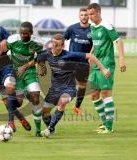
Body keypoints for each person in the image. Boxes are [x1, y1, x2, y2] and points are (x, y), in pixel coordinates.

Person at [37, 34, 110, 138]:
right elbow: (37, 60)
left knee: (62, 101)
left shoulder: (69, 55)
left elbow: (90, 56)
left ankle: (49, 130)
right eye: (52, 43)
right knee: (44, 112)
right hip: (54, 89)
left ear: (62, 46)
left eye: (56, 44)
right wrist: (41, 66)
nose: (53, 46)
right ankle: (51, 127)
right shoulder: (47, 53)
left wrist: (103, 69)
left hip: (69, 88)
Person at [87, 3, 127, 133]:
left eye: (92, 14)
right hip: (96, 64)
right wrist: (91, 54)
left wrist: (121, 59)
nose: (90, 17)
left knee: (106, 93)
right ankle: (104, 123)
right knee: (94, 95)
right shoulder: (92, 27)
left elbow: (119, 41)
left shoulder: (107, 25)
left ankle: (109, 127)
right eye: (88, 14)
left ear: (99, 12)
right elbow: (95, 43)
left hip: (107, 63)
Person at [5, 21, 44, 137]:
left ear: (31, 33)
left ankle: (38, 131)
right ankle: (18, 115)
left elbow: (42, 57)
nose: (23, 35)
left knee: (36, 98)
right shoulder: (12, 40)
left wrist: (41, 66)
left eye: (26, 34)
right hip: (16, 74)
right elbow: (2, 50)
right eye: (21, 33)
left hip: (30, 72)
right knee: (17, 103)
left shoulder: (36, 43)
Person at [64, 7, 93, 116]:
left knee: (82, 86)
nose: (84, 17)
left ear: (89, 16)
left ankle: (77, 107)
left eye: (86, 15)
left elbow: (95, 46)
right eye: (82, 15)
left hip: (84, 63)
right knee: (67, 83)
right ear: (79, 16)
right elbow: (62, 40)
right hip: (71, 62)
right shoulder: (72, 28)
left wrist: (91, 57)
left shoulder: (93, 30)